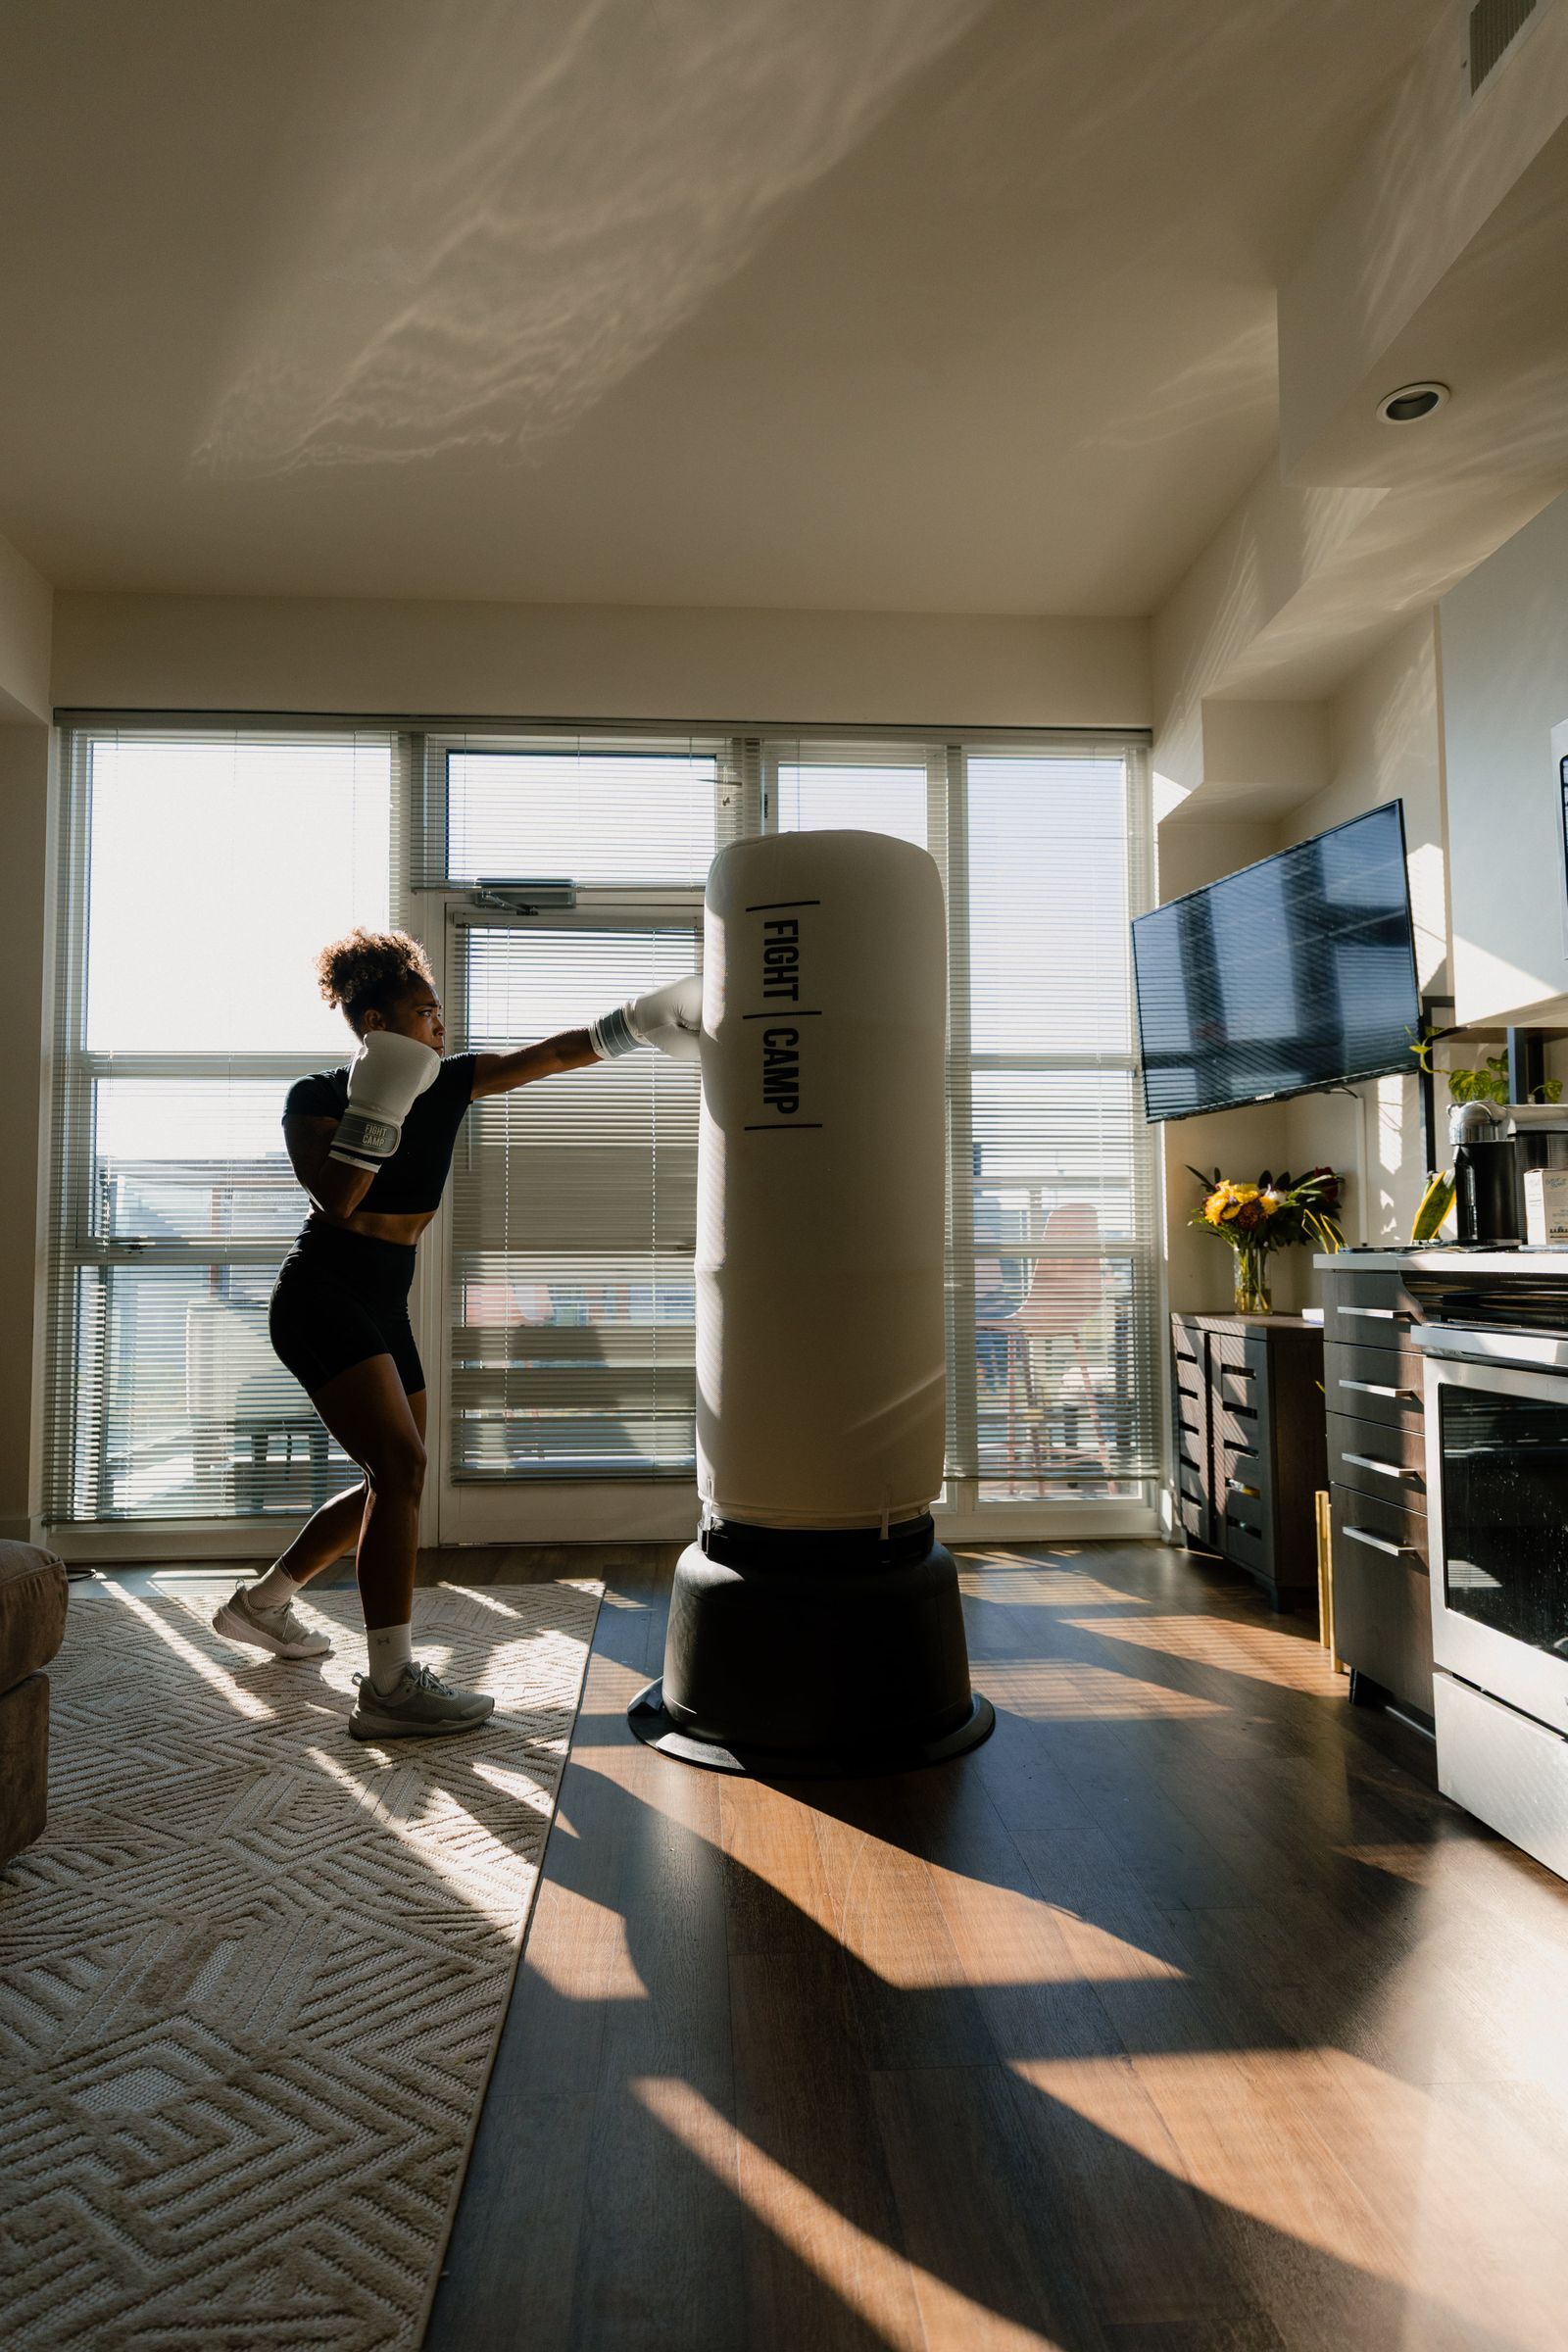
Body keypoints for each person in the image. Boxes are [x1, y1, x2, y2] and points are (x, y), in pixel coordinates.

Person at [211, 927, 699, 1740]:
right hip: (322, 1293)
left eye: (440, 1013)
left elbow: (545, 1055)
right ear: (375, 1021)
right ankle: (392, 1684)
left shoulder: (447, 1082)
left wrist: (639, 1022)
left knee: (392, 1480)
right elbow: (335, 1199)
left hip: (385, 1300)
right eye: (425, 1013)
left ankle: (261, 1604)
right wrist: (380, 1098)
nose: (440, 1027)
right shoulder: (316, 1096)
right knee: (398, 1469)